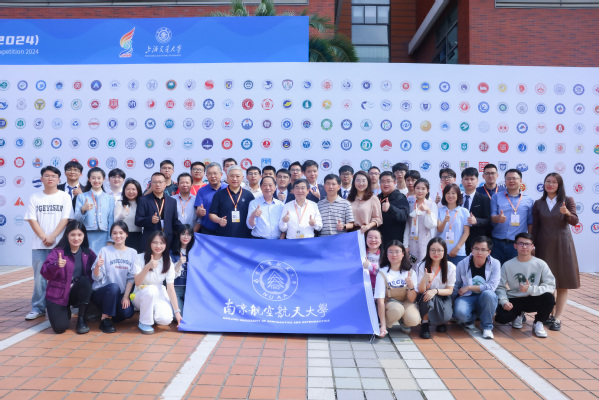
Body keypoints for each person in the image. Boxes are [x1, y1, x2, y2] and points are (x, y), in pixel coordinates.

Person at [531, 172, 579, 331]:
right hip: (543, 245)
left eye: (553, 182)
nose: (550, 184)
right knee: (547, 283)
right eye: (547, 181)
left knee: (562, 283)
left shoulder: (567, 200)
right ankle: (549, 314)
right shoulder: (538, 203)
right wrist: (532, 245)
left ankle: (558, 318)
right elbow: (535, 227)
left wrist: (567, 213)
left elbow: (575, 221)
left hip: (562, 245)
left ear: (559, 185)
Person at [25, 166, 74, 320]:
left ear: (59, 179)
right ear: (42, 179)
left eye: (53, 176)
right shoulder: (35, 197)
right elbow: (32, 219)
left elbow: (66, 219)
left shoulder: (65, 196)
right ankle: (38, 308)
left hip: (60, 244)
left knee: (61, 276)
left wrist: (53, 236)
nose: (50, 178)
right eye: (47, 176)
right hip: (39, 245)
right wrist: (43, 237)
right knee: (39, 278)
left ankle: (60, 305)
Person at [495, 233, 556, 338]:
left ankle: (538, 323)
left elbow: (550, 285)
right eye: (521, 243)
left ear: (532, 246)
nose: (524, 246)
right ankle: (518, 314)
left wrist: (530, 289)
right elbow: (500, 286)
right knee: (501, 318)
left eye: (527, 244)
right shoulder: (507, 265)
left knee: (549, 298)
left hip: (533, 298)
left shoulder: (540, 264)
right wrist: (504, 302)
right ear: (515, 246)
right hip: (515, 299)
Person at [41, 220, 95, 334]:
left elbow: (95, 274)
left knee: (85, 282)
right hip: (58, 295)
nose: (76, 238)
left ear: (84, 236)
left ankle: (81, 318)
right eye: (73, 235)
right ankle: (65, 310)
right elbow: (44, 273)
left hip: (76, 293)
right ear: (67, 235)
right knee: (60, 328)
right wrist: (55, 265)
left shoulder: (88, 253)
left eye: (79, 235)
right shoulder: (57, 252)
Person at [132, 231, 181, 334]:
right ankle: (144, 322)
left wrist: (177, 312)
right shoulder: (139, 257)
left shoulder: (168, 262)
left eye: (162, 243)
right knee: (151, 289)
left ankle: (149, 314)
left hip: (159, 294)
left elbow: (170, 288)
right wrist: (147, 267)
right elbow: (137, 282)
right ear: (150, 243)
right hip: (140, 293)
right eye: (155, 242)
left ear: (166, 245)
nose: (158, 246)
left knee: (166, 319)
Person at [91, 221, 136, 333]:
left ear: (126, 234)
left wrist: (126, 297)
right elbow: (96, 277)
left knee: (127, 312)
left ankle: (110, 314)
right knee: (113, 287)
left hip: (119, 294)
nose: (118, 236)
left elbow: (131, 278)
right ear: (111, 235)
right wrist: (97, 266)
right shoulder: (105, 251)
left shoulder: (133, 253)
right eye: (114, 233)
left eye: (121, 233)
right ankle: (104, 319)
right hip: (103, 292)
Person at [452, 236, 500, 339]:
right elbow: (457, 284)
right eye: (476, 249)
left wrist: (469, 287)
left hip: (485, 296)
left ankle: (487, 327)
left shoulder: (495, 264)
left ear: (489, 252)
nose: (479, 252)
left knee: (489, 294)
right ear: (472, 249)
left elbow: (491, 287)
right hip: (467, 297)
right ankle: (471, 318)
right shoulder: (462, 264)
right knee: (459, 313)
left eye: (483, 250)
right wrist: (452, 301)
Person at [375, 240, 420, 337]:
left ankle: (404, 322)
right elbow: (380, 301)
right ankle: (385, 325)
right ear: (386, 254)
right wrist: (383, 325)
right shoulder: (382, 273)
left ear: (403, 254)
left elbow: (412, 299)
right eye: (390, 252)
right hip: (389, 303)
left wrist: (411, 286)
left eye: (397, 251)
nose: (394, 255)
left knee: (414, 320)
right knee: (397, 309)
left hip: (405, 302)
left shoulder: (410, 272)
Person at [490, 169, 534, 265]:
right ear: (505, 181)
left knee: (516, 272)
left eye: (514, 178)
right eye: (508, 179)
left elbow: (530, 223)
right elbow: (491, 217)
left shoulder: (529, 200)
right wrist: (497, 218)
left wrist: (530, 243)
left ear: (520, 181)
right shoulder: (496, 197)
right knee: (497, 272)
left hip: (518, 245)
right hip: (497, 243)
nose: (511, 181)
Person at [416, 238, 456, 339]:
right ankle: (425, 323)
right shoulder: (421, 265)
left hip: (442, 296)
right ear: (428, 251)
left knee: (446, 316)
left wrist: (435, 291)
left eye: (439, 250)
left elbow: (450, 290)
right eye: (432, 250)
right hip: (426, 296)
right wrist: (424, 280)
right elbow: (421, 290)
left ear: (444, 251)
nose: (436, 253)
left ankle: (439, 322)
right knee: (427, 295)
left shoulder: (450, 267)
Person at [135, 172, 183, 247]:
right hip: (150, 240)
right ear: (151, 184)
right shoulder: (143, 200)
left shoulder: (172, 201)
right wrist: (150, 220)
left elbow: (175, 221)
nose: (158, 184)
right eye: (155, 182)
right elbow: (138, 221)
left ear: (165, 184)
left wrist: (184, 229)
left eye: (160, 182)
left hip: (167, 240)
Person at [75, 167, 115, 254]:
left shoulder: (109, 198)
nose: (96, 180)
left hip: (104, 235)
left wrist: (110, 239)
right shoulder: (81, 197)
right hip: (86, 235)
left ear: (103, 179)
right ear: (89, 179)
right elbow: (77, 219)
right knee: (87, 259)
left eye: (99, 178)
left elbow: (111, 220)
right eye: (93, 178)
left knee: (102, 259)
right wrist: (83, 209)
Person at [209, 165, 255, 238]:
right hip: (224, 235)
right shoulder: (219, 194)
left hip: (245, 236)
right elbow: (211, 214)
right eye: (232, 176)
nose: (234, 179)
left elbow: (253, 216)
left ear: (242, 178)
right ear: (227, 177)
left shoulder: (248, 195)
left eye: (237, 176)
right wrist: (219, 220)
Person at [404, 178, 438, 268]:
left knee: (424, 266)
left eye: (423, 189)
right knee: (412, 265)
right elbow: (407, 226)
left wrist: (428, 211)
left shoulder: (431, 205)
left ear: (427, 190)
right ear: (414, 189)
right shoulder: (410, 205)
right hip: (412, 243)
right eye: (418, 188)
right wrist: (406, 245)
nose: (420, 191)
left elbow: (432, 225)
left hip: (426, 242)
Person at [437, 183, 470, 265]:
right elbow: (439, 230)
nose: (450, 196)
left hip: (458, 253)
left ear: (458, 195)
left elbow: (466, 232)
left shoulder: (464, 211)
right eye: (447, 193)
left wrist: (457, 248)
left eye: (453, 193)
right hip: (441, 252)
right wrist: (445, 221)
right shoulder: (440, 211)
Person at [461, 167, 492, 255]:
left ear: (477, 181)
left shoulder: (484, 199)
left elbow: (488, 220)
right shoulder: (457, 198)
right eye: (466, 179)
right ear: (462, 181)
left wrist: (477, 221)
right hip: (458, 239)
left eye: (472, 179)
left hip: (476, 240)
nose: (469, 182)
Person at [378, 171, 410, 243]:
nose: (385, 184)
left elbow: (404, 216)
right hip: (378, 240)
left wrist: (390, 208)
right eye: (382, 181)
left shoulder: (400, 197)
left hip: (394, 241)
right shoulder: (377, 198)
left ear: (395, 183)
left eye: (388, 181)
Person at [194, 162, 226, 235]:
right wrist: (200, 212)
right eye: (210, 174)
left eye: (215, 173)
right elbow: (198, 211)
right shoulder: (202, 191)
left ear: (221, 174)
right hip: (207, 231)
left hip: (226, 230)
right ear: (206, 176)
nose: (213, 176)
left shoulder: (228, 188)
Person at [170, 225, 195, 314]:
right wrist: (179, 263)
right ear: (178, 235)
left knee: (192, 315)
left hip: (191, 288)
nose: (186, 237)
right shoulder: (171, 253)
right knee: (178, 315)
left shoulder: (195, 252)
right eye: (183, 234)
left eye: (189, 234)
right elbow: (170, 275)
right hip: (176, 288)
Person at [114, 179, 143, 252]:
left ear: (138, 190)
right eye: (128, 189)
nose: (131, 192)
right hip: (123, 236)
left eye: (133, 189)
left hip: (138, 236)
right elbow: (115, 221)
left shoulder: (142, 204)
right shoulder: (120, 203)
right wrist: (123, 213)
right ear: (124, 190)